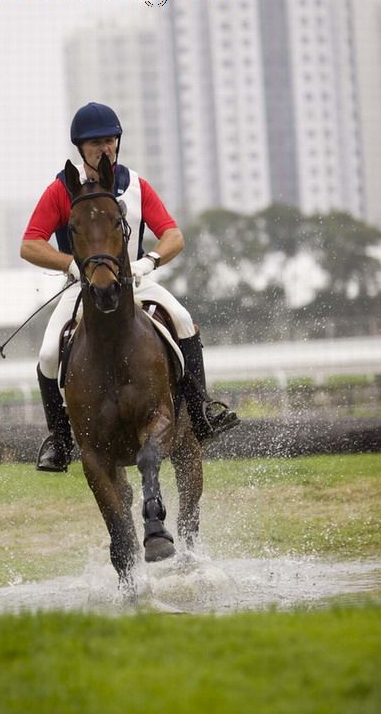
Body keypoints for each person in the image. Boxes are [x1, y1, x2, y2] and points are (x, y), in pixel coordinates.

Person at [21, 102, 239, 472]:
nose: (104, 148)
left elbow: (173, 235)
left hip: (135, 281)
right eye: (95, 144)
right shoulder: (61, 189)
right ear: (80, 148)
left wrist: (149, 262)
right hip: (82, 286)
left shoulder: (136, 185)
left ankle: (202, 411)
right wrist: (71, 264)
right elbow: (30, 244)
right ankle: (59, 441)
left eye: (109, 141)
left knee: (183, 320)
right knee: (46, 354)